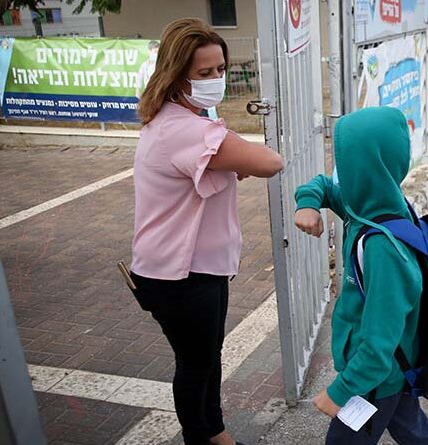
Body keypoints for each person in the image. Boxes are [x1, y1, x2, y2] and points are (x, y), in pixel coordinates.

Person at [128, 18, 283, 445]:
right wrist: (237, 153)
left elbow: (206, 176)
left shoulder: (178, 121)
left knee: (207, 358)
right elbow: (271, 162)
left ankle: (214, 431)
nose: (216, 79)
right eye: (204, 73)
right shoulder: (188, 129)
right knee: (196, 365)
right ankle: (200, 435)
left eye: (220, 70)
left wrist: (231, 160)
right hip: (179, 276)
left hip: (197, 268)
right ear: (176, 75)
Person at [294, 107, 428, 445]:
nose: (338, 172)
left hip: (373, 377)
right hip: (391, 369)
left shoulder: (382, 249)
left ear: (365, 167)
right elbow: (320, 185)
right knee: (413, 431)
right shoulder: (370, 205)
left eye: (344, 162)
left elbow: (379, 341)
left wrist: (340, 392)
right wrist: (307, 203)